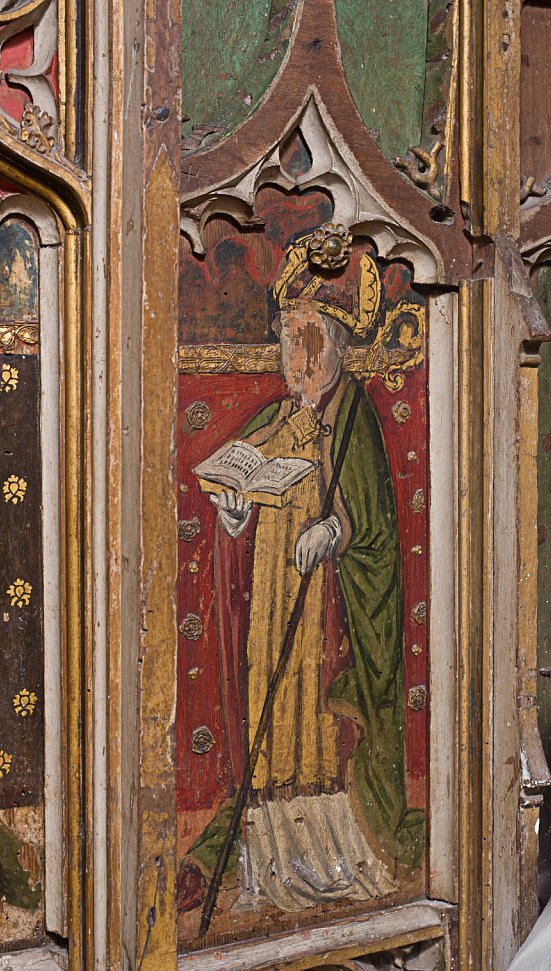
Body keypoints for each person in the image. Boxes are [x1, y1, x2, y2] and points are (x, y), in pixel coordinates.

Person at [179, 232, 424, 916]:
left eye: (315, 338)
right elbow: (240, 490)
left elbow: (373, 522)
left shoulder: (356, 425)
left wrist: (335, 531)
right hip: (272, 611)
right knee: (270, 718)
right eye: (290, 338)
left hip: (328, 614)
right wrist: (233, 515)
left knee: (315, 730)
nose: (302, 355)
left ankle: (330, 860)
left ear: (344, 348)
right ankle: (271, 865)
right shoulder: (275, 419)